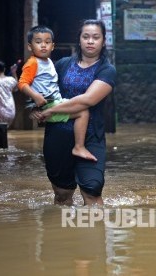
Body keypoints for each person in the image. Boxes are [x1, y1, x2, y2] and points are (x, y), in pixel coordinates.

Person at [31, 19, 116, 206]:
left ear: (103, 41)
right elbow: (43, 89)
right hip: (58, 135)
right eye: (86, 37)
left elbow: (88, 99)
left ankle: (93, 232)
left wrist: (52, 110)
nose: (90, 41)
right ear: (79, 40)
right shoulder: (62, 65)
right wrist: (36, 108)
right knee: (62, 194)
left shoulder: (107, 70)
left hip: (91, 136)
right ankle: (65, 234)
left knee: (92, 190)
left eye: (96, 37)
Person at [18, 26, 97, 161]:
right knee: (83, 112)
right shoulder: (32, 63)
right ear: (30, 47)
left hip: (52, 103)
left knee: (79, 104)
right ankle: (79, 147)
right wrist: (36, 98)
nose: (43, 45)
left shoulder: (48, 62)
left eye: (47, 42)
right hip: (48, 104)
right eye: (38, 42)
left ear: (53, 46)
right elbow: (22, 83)